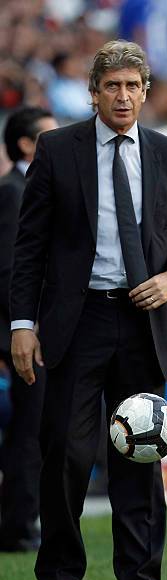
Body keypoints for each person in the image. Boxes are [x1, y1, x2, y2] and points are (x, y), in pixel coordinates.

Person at [10, 40, 167, 580]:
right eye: (111, 87)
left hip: (145, 321)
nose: (123, 96)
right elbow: (30, 246)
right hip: (78, 321)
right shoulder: (57, 148)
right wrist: (23, 323)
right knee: (66, 453)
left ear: (146, 92)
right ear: (93, 94)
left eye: (133, 86)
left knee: (140, 456)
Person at [0, 107, 57, 552]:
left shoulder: (30, 187)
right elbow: (10, 269)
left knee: (38, 427)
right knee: (29, 428)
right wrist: (24, 327)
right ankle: (19, 524)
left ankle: (25, 518)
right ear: (25, 144)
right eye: (48, 136)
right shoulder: (13, 191)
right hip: (24, 334)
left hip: (33, 328)